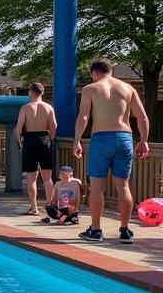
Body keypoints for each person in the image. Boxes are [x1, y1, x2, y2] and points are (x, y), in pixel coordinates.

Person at [73, 58, 151, 244]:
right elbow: (142, 117)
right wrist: (144, 141)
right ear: (111, 71)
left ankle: (96, 230)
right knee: (123, 186)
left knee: (97, 187)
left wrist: (77, 140)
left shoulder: (90, 89)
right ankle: (124, 231)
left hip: (101, 139)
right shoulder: (128, 88)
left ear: (94, 73)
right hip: (124, 138)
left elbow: (83, 116)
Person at [14, 83, 57, 216]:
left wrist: (19, 141)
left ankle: (34, 208)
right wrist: (51, 138)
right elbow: (54, 125)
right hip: (45, 138)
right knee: (47, 177)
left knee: (32, 177)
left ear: (30, 92)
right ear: (42, 93)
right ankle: (50, 205)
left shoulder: (26, 108)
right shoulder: (48, 107)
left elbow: (19, 127)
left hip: (30, 139)